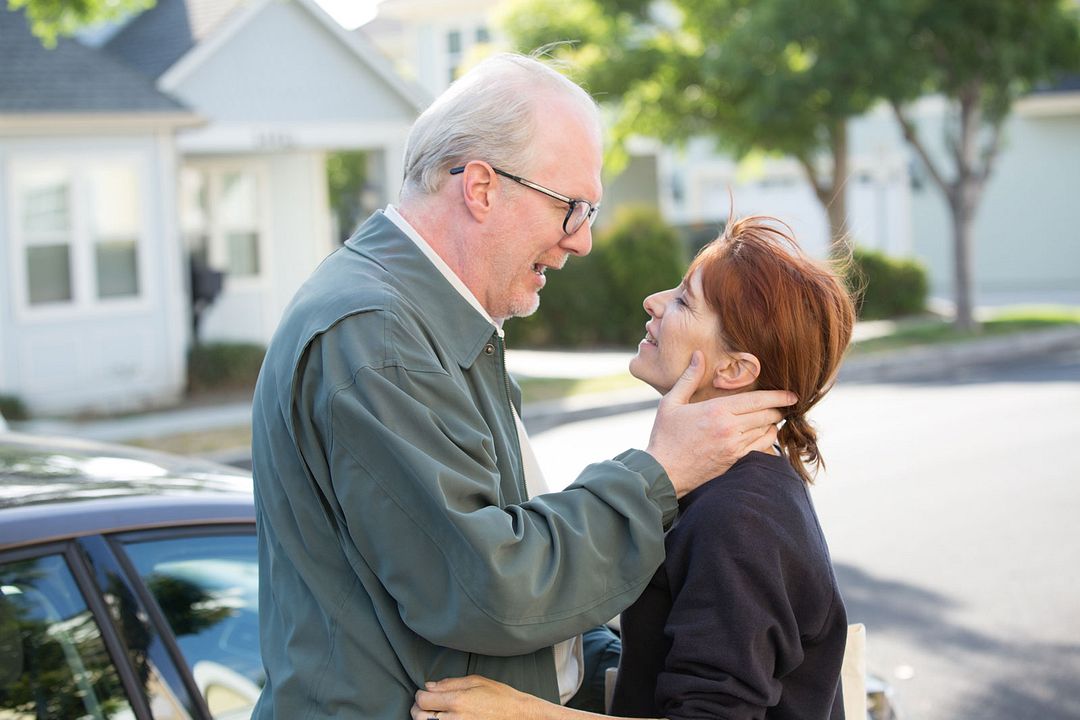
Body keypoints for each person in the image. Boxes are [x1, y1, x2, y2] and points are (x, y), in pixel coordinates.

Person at [250, 53, 796, 719]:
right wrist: (659, 474)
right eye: (574, 207)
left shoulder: (437, 321)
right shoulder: (379, 337)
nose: (584, 241)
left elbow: (522, 569)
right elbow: (488, 589)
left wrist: (601, 670)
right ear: (481, 188)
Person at [412, 214, 856, 720]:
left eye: (685, 301)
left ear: (735, 370)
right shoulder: (727, 485)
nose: (655, 301)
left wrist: (520, 713)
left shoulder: (741, 518)